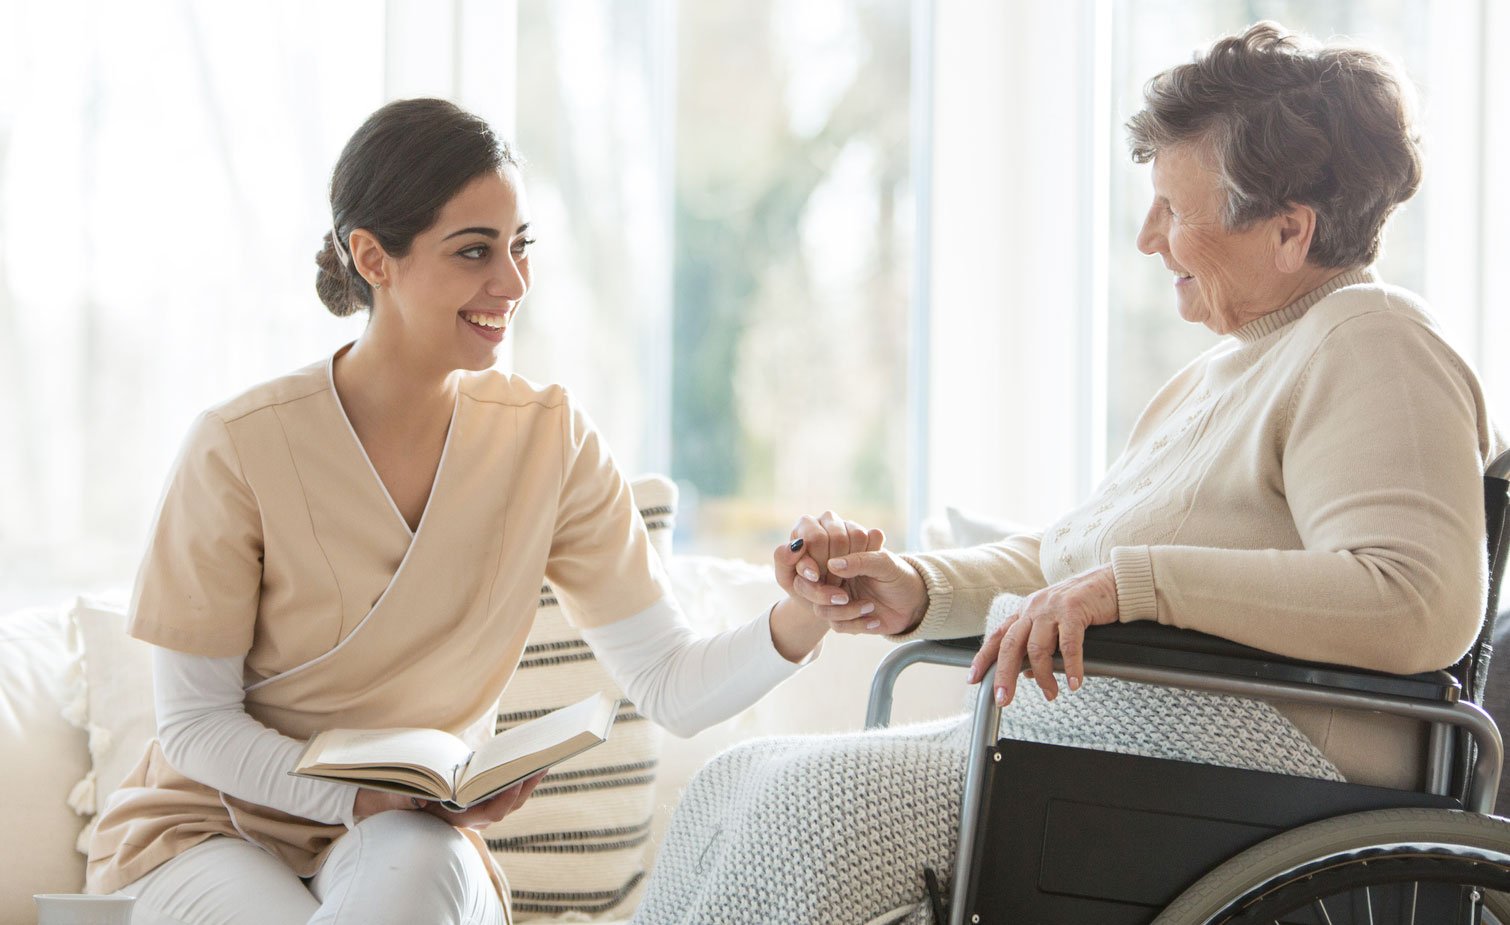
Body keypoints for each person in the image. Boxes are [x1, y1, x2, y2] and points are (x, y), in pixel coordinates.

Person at [634, 21, 1503, 925]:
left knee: (803, 809)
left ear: (1290, 230)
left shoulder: (1374, 340)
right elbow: (1069, 564)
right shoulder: (1218, 373)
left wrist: (1135, 586)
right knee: (739, 776)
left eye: (1174, 208)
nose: (1146, 238)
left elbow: (1418, 600)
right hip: (1136, 749)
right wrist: (915, 587)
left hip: (1258, 768)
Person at [83, 98, 877, 925]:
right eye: (475, 251)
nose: (513, 282)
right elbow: (195, 724)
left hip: (410, 841)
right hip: (214, 829)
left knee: (418, 872)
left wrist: (802, 615)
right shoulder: (236, 446)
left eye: (520, 246)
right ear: (372, 257)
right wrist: (358, 799)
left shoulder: (548, 440)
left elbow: (670, 683)